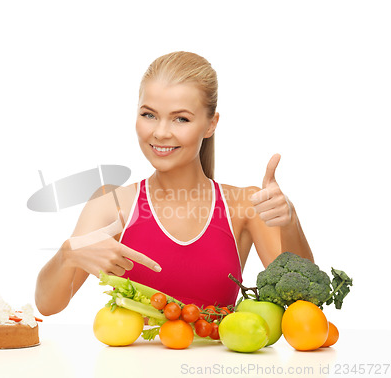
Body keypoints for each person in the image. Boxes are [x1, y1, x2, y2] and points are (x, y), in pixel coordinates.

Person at [35, 51, 313, 316]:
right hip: (128, 367)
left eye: (181, 118)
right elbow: (48, 305)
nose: (161, 132)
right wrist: (67, 253)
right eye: (149, 114)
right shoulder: (111, 203)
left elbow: (304, 303)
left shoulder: (245, 205)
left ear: (210, 124)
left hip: (211, 367)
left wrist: (290, 221)